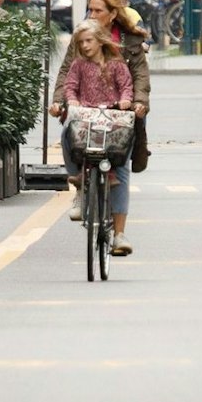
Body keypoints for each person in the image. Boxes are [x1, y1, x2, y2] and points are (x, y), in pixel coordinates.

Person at [52, 19, 134, 239]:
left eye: (89, 41)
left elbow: (126, 87)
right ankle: (77, 176)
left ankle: (113, 177)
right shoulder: (78, 65)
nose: (85, 46)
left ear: (100, 41)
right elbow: (70, 87)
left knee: (117, 146)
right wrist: (72, 101)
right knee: (67, 132)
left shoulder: (116, 64)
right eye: (81, 43)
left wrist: (125, 100)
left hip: (111, 116)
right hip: (85, 117)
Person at [88, 0, 153, 252]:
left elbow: (140, 74)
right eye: (90, 10)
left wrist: (139, 102)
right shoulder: (84, 35)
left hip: (122, 110)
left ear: (113, 14)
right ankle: (80, 187)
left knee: (122, 165)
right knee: (71, 136)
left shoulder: (131, 40)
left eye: (97, 11)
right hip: (88, 106)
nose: (92, 15)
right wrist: (61, 101)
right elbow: (68, 72)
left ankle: (119, 234)